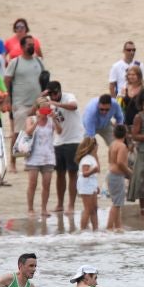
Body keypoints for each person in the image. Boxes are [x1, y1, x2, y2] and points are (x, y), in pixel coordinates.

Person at [4, 35, 45, 169]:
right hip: (21, 103)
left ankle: (29, 162)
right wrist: (8, 99)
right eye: (29, 44)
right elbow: (7, 80)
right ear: (22, 47)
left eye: (33, 44)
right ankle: (13, 163)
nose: (32, 46)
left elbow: (44, 79)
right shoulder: (15, 62)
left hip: (37, 103)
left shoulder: (39, 62)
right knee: (18, 133)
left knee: (35, 133)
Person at [41, 81, 82, 214]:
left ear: (59, 91)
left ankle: (71, 205)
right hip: (58, 141)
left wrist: (56, 104)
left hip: (74, 139)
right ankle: (60, 203)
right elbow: (33, 108)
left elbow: (74, 106)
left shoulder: (68, 96)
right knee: (59, 174)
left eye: (55, 93)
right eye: (50, 94)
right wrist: (42, 96)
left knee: (72, 173)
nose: (53, 96)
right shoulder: (47, 101)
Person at [24, 103, 57, 217]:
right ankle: (30, 208)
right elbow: (28, 132)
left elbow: (60, 131)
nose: (45, 111)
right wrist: (37, 121)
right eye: (43, 108)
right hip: (33, 156)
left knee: (46, 184)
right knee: (32, 183)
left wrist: (55, 118)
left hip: (48, 156)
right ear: (37, 109)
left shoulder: (51, 119)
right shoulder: (31, 119)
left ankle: (44, 209)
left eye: (47, 108)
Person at [107, 124, 131, 231]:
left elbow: (111, 161)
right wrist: (129, 173)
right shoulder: (122, 146)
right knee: (116, 204)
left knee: (117, 203)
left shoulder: (112, 144)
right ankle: (109, 227)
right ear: (126, 134)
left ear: (113, 133)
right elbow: (120, 162)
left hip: (111, 174)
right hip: (117, 176)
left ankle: (118, 226)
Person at [74, 137, 99, 230]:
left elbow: (94, 172)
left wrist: (96, 186)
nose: (98, 147)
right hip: (86, 184)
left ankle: (96, 229)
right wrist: (93, 170)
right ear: (93, 147)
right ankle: (82, 230)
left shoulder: (92, 158)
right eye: (96, 145)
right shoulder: (86, 159)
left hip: (92, 184)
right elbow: (85, 174)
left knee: (94, 209)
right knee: (88, 209)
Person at [119, 65, 144, 129]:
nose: (131, 76)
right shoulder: (124, 88)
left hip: (139, 122)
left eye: (133, 75)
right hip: (126, 121)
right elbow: (120, 106)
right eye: (129, 74)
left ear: (139, 76)